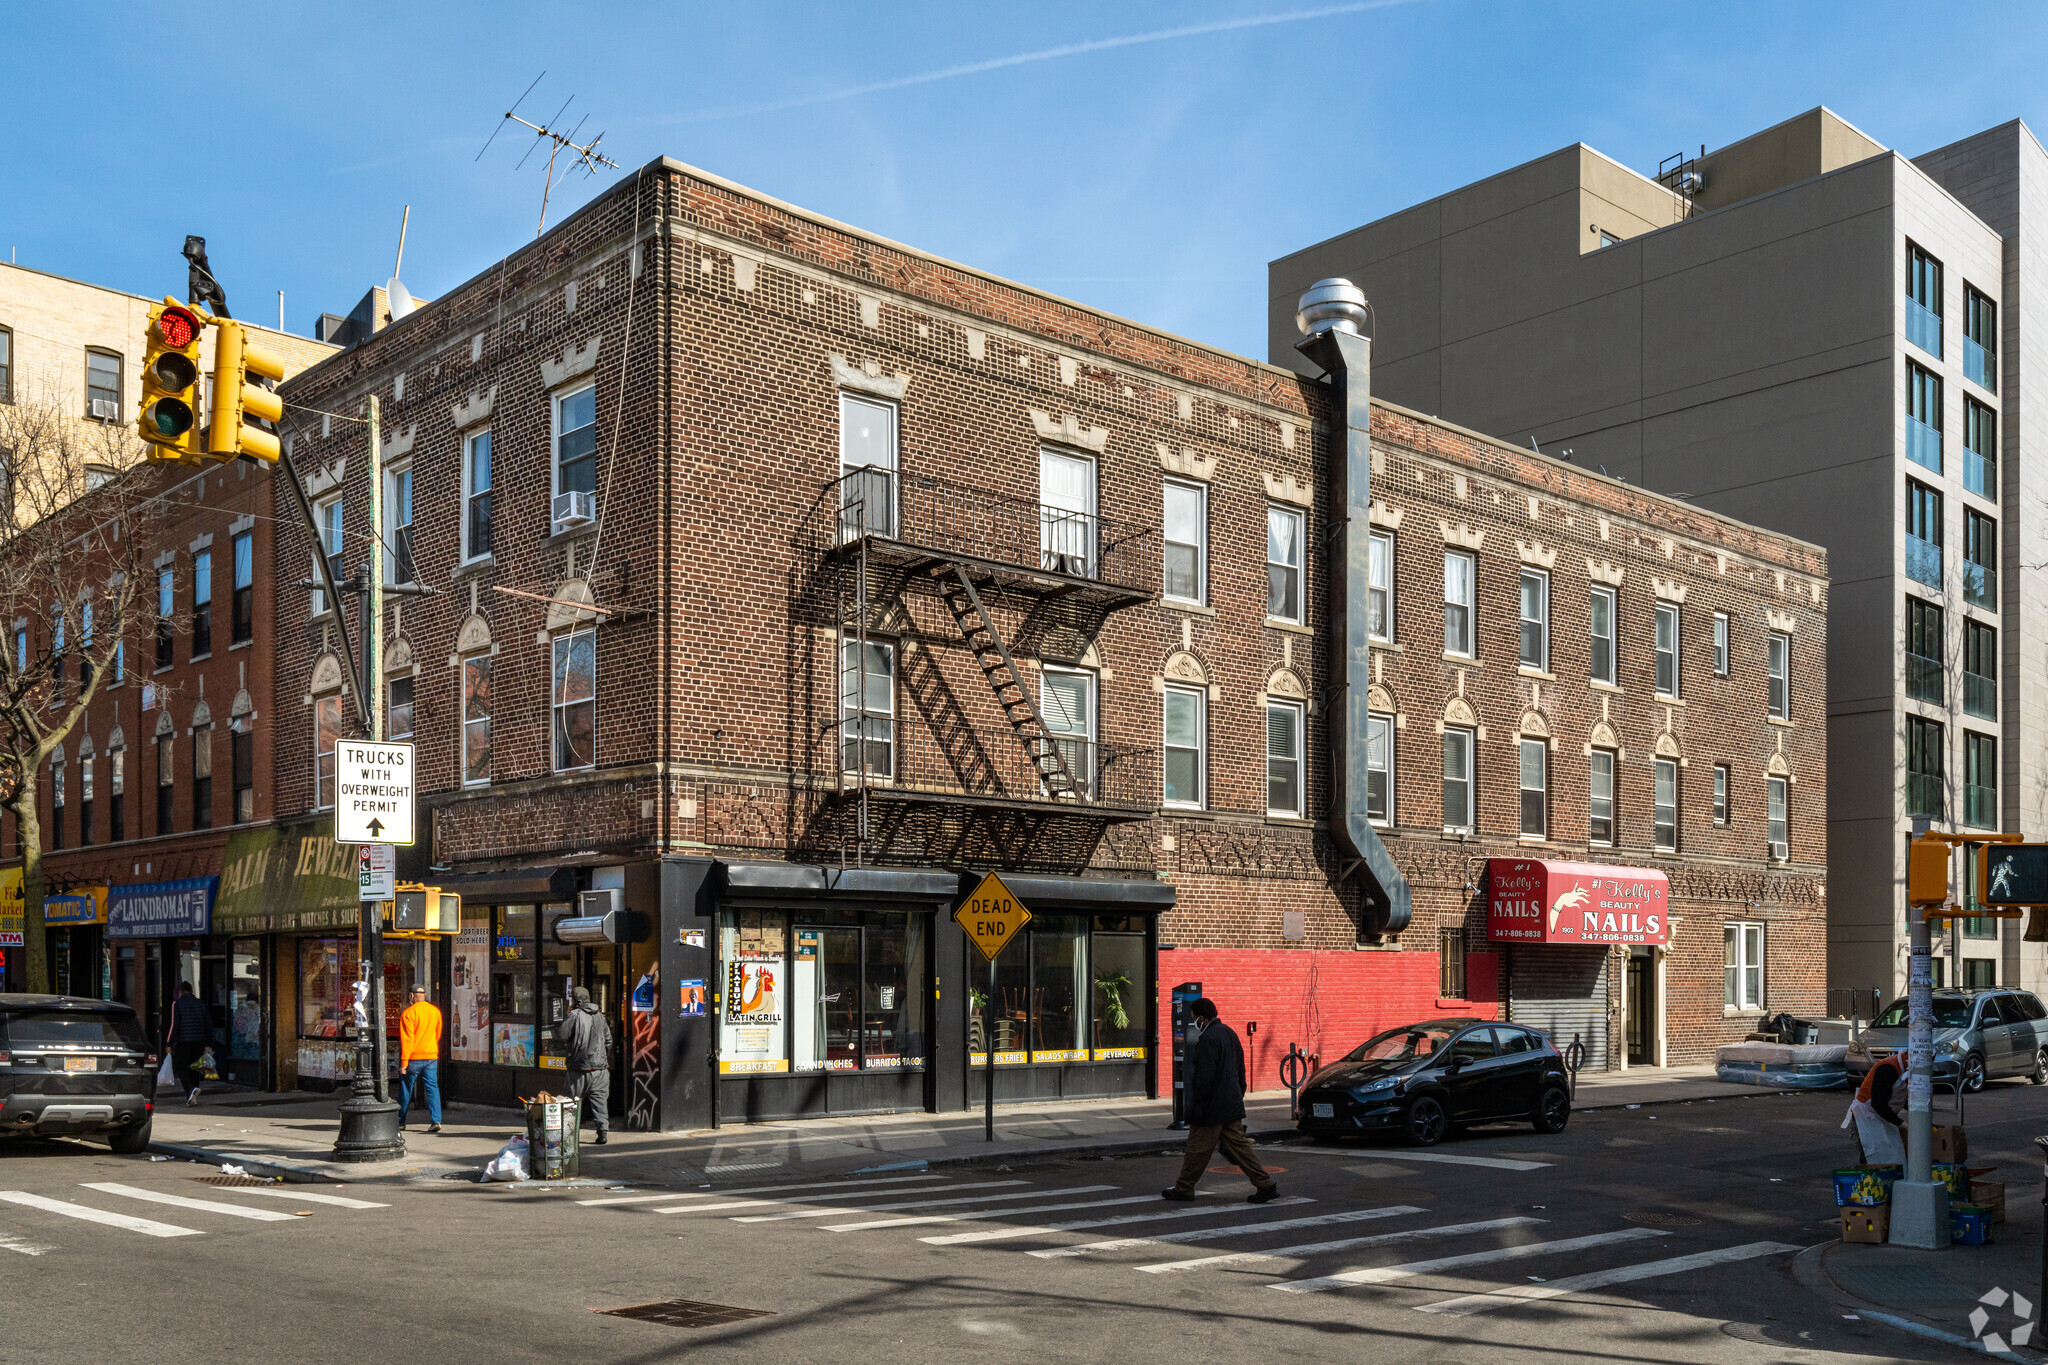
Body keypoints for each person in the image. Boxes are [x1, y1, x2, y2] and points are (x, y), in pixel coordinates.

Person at [1163, 997, 1279, 1204]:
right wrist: (1237, 1095)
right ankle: (1265, 1184)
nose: (1194, 1023)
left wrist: (1196, 1105)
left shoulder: (1208, 1040)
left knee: (1196, 1149)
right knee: (1241, 1148)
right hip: (1230, 1104)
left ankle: (1184, 1188)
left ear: (1201, 1018)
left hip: (1211, 1108)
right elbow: (1241, 1072)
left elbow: (1204, 1079)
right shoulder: (1229, 1033)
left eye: (1194, 1019)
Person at [556, 987, 612, 1146]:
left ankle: (568, 1134)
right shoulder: (600, 1016)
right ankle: (602, 1133)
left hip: (579, 1069)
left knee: (570, 1102)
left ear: (575, 1000)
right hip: (600, 1070)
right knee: (600, 1102)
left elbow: (562, 1035)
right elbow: (609, 1040)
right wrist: (602, 1057)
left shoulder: (574, 1015)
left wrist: (567, 1015)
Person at [1842, 1050, 1906, 1165]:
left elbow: (1902, 1096)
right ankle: (1869, 1179)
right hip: (1866, 1114)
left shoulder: (1906, 1070)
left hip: (1882, 1113)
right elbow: (1878, 1104)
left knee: (1888, 1151)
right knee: (1872, 1152)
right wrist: (1901, 1123)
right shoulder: (1888, 1069)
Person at [396, 985, 444, 1134]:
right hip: (430, 1056)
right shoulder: (435, 1011)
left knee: (406, 1089)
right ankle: (436, 1120)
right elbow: (437, 1034)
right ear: (424, 995)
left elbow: (407, 1040)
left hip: (413, 1058)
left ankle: (400, 1121)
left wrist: (404, 1062)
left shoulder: (409, 1013)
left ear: (411, 996)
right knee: (432, 1088)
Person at [164, 982, 212, 1107]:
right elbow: (208, 1024)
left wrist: (169, 1042)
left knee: (180, 1067)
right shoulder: (200, 1003)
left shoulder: (177, 1004)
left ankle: (191, 1089)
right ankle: (192, 1094)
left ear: (181, 991)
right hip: (200, 1041)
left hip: (184, 1040)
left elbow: (174, 1025)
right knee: (195, 1067)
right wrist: (208, 1043)